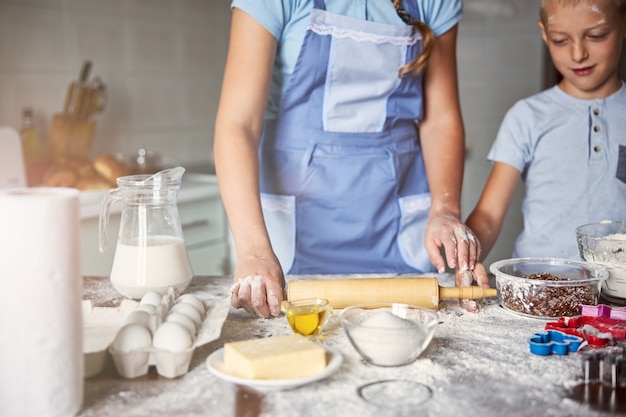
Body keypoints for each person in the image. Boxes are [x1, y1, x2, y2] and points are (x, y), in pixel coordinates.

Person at [214, 0, 483, 318]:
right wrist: (254, 248)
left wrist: (444, 209)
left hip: (396, 219)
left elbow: (440, 119)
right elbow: (238, 124)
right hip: (295, 223)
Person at [458, 0, 626, 295]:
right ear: (545, 34)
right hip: (538, 288)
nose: (578, 53)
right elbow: (488, 215)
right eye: (561, 40)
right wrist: (469, 260)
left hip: (617, 294)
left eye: (597, 35)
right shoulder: (527, 117)